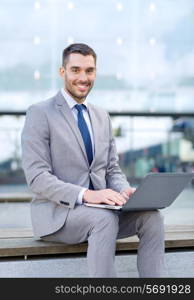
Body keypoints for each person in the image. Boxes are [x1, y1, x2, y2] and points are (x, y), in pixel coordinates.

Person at [21, 43, 167, 277]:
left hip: (103, 210)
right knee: (104, 219)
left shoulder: (101, 116)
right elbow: (37, 178)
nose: (83, 77)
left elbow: (111, 168)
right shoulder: (40, 113)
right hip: (58, 215)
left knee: (152, 217)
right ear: (63, 72)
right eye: (76, 70)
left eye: (89, 71)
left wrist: (124, 190)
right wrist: (87, 195)